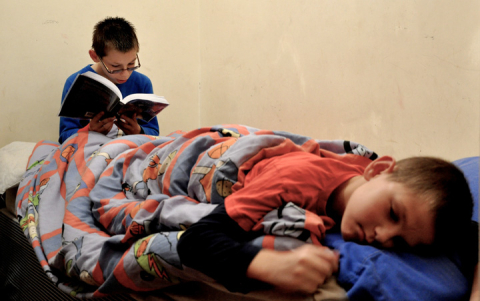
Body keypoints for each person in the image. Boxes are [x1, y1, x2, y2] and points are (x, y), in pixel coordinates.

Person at [177, 152, 476, 294]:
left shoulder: (376, 186)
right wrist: (266, 264)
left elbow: (475, 234)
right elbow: (195, 240)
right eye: (394, 213)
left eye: (398, 243)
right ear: (380, 169)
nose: (381, 236)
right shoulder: (295, 182)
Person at [59, 17, 159, 144]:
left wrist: (138, 131)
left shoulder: (142, 83)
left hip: (129, 152)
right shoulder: (76, 82)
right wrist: (89, 131)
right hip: (91, 152)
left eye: (131, 64)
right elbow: (64, 136)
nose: (125, 74)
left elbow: (154, 132)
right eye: (115, 67)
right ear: (95, 56)